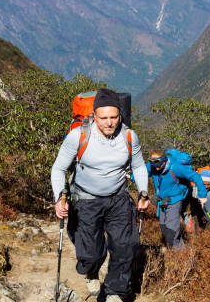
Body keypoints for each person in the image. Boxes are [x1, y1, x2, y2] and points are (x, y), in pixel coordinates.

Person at [51, 88, 150, 302]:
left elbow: (139, 166)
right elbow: (58, 169)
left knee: (126, 247)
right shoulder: (79, 136)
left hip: (118, 199)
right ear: (93, 116)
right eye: (103, 118)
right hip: (86, 201)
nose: (109, 123)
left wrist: (143, 192)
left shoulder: (129, 137)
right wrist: (59, 198)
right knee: (90, 254)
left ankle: (115, 291)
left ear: (120, 115)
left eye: (114, 117)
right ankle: (91, 269)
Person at [147, 150, 208, 248]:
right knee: (164, 228)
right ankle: (181, 249)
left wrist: (202, 195)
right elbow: (141, 173)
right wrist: (130, 177)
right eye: (155, 166)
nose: (157, 169)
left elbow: (195, 176)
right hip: (161, 201)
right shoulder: (152, 165)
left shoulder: (176, 167)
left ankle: (179, 257)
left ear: (164, 160)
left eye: (159, 166)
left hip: (174, 201)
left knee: (171, 232)